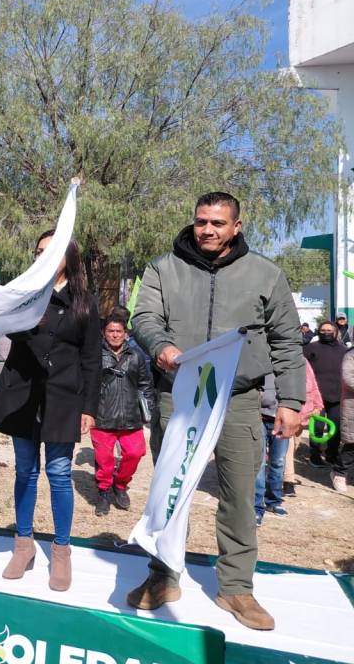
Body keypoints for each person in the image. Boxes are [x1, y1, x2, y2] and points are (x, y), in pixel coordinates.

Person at [128, 192, 303, 631]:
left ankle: (236, 587)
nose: (208, 229)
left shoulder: (265, 273)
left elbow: (286, 341)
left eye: (218, 223)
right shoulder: (162, 268)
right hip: (178, 395)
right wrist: (161, 347)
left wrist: (291, 402)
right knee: (172, 487)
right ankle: (163, 576)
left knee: (240, 496)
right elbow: (144, 317)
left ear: (237, 226)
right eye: (202, 220)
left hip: (240, 400)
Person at [0, 231, 100, 592]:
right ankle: (23, 545)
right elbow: (3, 330)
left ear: (69, 257)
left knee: (60, 473)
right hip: (23, 395)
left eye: (51, 251)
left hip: (64, 398)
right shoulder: (23, 294)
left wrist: (89, 408)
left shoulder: (85, 303)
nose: (43, 256)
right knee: (25, 472)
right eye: (38, 251)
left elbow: (92, 359)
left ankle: (61, 551)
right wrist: (25, 319)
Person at [92, 310, 156, 516]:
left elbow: (145, 384)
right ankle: (103, 492)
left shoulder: (136, 356)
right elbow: (86, 383)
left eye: (119, 331)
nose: (115, 335)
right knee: (104, 460)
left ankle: (120, 485)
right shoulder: (94, 355)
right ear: (104, 333)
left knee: (136, 453)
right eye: (111, 331)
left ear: (125, 333)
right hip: (102, 417)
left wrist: (148, 410)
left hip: (130, 418)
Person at [305, 321, 346, 472]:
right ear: (318, 331)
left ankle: (332, 455)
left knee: (336, 428)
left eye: (329, 330)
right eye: (323, 330)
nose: (326, 332)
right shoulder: (311, 348)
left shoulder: (343, 350)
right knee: (317, 427)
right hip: (317, 398)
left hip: (337, 396)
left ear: (335, 332)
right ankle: (314, 455)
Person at [282, 360, 323, 497]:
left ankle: (278, 468)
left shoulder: (304, 361)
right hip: (288, 409)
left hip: (305, 411)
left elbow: (313, 383)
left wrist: (318, 404)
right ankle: (288, 481)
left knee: (294, 444)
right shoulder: (281, 359)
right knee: (288, 445)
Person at [254, 376, 289, 524]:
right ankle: (256, 506)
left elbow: (304, 387)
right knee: (259, 463)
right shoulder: (259, 358)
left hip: (282, 420)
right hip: (259, 417)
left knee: (278, 461)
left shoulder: (291, 361)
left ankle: (274, 501)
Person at [334, 350, 354, 493]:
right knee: (352, 444)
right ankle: (339, 473)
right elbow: (348, 378)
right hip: (352, 405)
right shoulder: (350, 355)